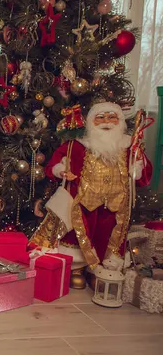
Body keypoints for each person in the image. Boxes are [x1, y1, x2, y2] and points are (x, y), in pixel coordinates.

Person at [31, 102, 152, 288]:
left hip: (116, 202)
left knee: (107, 236)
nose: (106, 122)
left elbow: (142, 176)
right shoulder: (79, 144)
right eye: (100, 117)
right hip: (83, 202)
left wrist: (137, 165)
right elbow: (56, 162)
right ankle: (77, 267)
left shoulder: (129, 145)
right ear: (91, 121)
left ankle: (100, 268)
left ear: (119, 121)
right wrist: (61, 170)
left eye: (112, 117)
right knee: (78, 235)